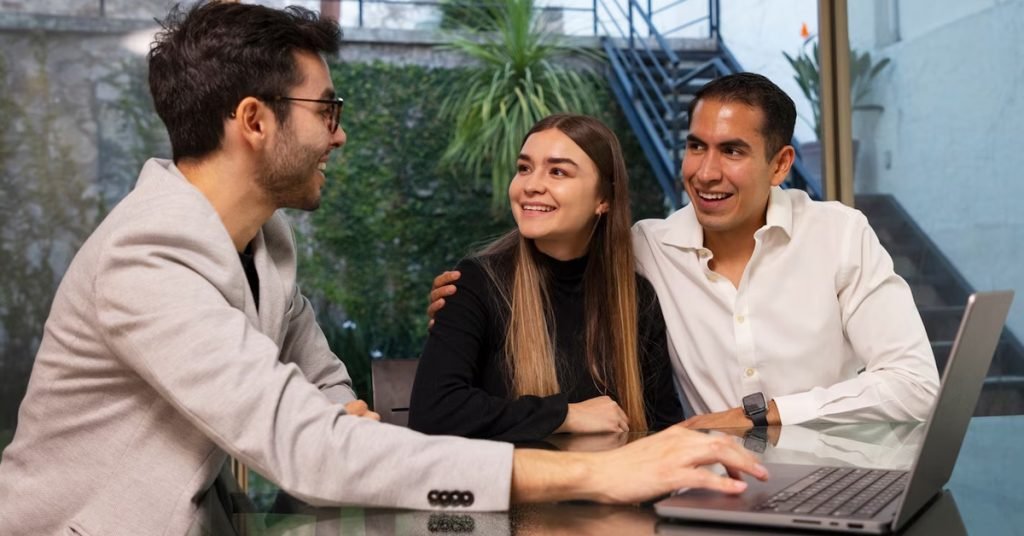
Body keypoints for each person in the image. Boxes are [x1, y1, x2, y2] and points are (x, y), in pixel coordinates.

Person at [0, 4, 767, 534]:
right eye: (326, 110)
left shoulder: (267, 246)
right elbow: (307, 447)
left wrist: (343, 430)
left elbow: (331, 399)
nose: (339, 136)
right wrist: (596, 474)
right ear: (255, 122)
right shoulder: (148, 258)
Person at [429, 73, 940, 430]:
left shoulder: (840, 234)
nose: (705, 172)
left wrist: (760, 414)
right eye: (697, 146)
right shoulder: (643, 249)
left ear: (781, 164)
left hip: (833, 470)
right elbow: (556, 260)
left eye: (732, 151)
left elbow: (914, 385)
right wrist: (470, 298)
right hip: (708, 483)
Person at [408, 114, 683, 442]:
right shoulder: (476, 284)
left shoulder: (636, 298)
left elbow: (662, 427)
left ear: (604, 199)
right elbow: (433, 412)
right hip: (512, 491)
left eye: (558, 171)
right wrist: (565, 414)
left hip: (616, 489)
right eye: (524, 168)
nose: (531, 185)